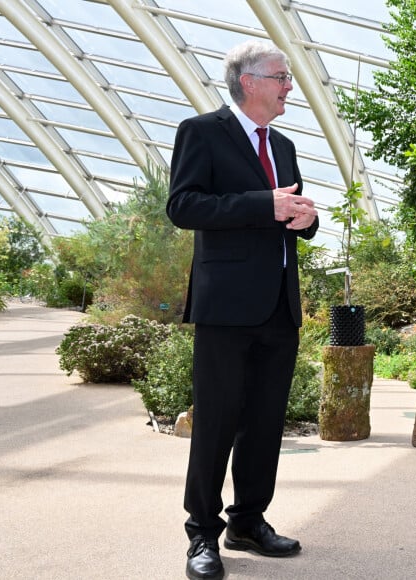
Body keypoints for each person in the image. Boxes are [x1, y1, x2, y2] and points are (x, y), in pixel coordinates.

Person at [167, 40, 319, 580]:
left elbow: (293, 209)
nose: (289, 87)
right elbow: (183, 205)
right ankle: (202, 535)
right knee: (217, 421)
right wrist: (266, 205)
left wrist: (306, 218)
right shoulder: (201, 132)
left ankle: (248, 522)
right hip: (226, 307)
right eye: (282, 77)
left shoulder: (284, 145)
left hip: (279, 304)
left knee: (264, 422)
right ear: (249, 81)